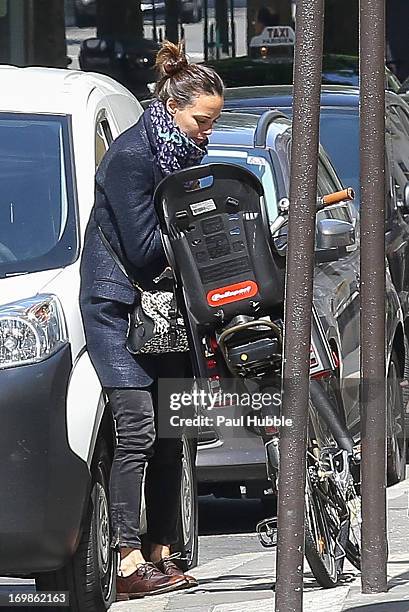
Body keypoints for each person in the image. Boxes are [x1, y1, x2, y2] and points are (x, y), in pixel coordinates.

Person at [79, 41, 224, 600]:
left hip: (163, 313)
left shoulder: (181, 156)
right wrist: (200, 235)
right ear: (172, 107)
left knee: (172, 433)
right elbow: (141, 249)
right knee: (136, 429)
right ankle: (126, 557)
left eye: (213, 122)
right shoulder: (132, 157)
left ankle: (162, 552)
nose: (207, 133)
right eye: (201, 120)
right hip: (119, 309)